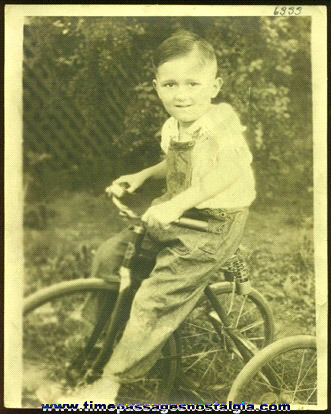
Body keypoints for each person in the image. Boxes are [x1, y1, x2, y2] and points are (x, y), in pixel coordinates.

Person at [38, 30, 256, 404]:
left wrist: (177, 204)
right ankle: (102, 337)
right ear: (156, 87)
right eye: (170, 84)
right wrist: (141, 177)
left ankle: (110, 383)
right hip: (176, 211)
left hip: (213, 225)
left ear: (214, 86)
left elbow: (228, 172)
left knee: (154, 299)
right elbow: (174, 162)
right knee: (111, 254)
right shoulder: (173, 126)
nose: (181, 94)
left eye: (193, 83)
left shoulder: (221, 121)